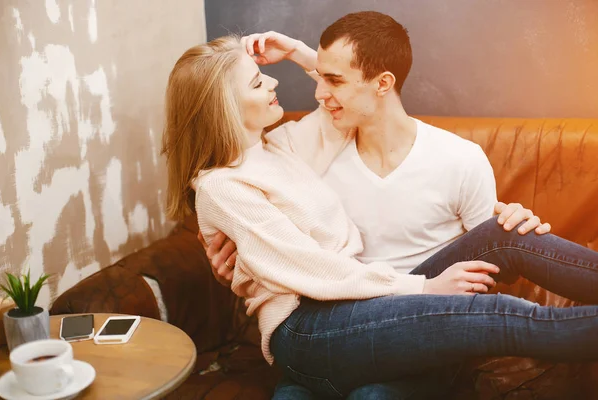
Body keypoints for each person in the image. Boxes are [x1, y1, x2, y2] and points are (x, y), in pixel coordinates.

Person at [162, 15, 598, 400]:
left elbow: (347, 87)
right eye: (258, 82)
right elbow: (305, 267)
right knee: (472, 335)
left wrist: (295, 50)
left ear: (383, 83)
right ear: (226, 107)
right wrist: (424, 289)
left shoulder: (282, 148)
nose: (279, 84)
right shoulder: (238, 177)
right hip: (312, 322)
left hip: (370, 310)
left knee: (504, 234)